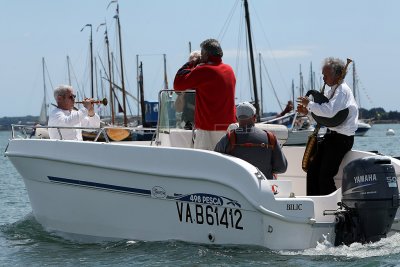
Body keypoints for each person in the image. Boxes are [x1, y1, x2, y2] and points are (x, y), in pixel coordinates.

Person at [297, 57, 358, 195]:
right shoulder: (334, 91)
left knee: (325, 175)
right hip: (332, 137)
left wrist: (310, 104)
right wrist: (308, 112)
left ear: (337, 75)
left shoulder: (342, 91)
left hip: (341, 140)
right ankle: (313, 204)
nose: (323, 78)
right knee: (312, 171)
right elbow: (325, 118)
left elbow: (329, 112)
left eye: (326, 75)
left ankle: (331, 208)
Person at [174, 38, 236, 150]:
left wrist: (192, 62)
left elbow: (178, 84)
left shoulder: (203, 70)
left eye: (202, 54)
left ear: (206, 55)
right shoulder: (229, 70)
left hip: (208, 127)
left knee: (204, 162)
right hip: (227, 126)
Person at [214, 102, 287, 180]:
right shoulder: (270, 138)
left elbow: (215, 163)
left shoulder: (228, 139)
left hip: (236, 187)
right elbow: (282, 168)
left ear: (236, 118)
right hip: (264, 187)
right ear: (254, 117)